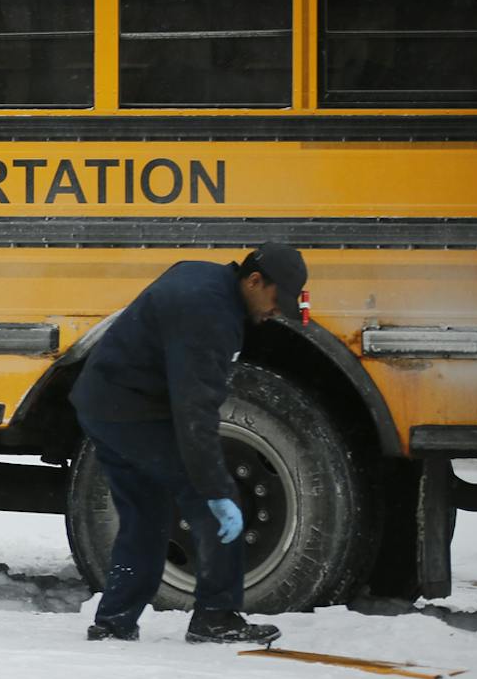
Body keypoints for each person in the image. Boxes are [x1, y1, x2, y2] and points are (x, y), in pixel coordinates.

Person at [69, 243, 309, 644]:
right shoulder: (209, 314)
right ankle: (215, 616)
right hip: (131, 412)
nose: (276, 310)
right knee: (212, 498)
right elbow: (194, 413)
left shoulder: (204, 276)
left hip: (104, 402)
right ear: (253, 280)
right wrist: (216, 490)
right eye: (274, 298)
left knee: (146, 513)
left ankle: (114, 621)